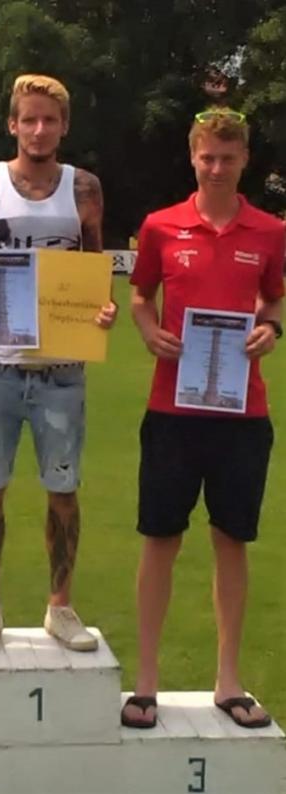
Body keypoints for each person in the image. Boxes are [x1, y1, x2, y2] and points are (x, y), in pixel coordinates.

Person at [122, 108, 284, 729]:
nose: (217, 168)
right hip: (172, 408)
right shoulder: (161, 226)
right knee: (160, 538)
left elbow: (274, 298)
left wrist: (271, 328)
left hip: (243, 410)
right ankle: (145, 683)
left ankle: (228, 681)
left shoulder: (269, 230)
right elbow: (139, 296)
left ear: (245, 161)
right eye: (207, 157)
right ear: (192, 156)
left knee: (231, 540)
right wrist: (148, 330)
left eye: (228, 158)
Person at [0, 74, 118, 653]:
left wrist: (104, 308)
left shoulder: (84, 188)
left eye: (49, 120)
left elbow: (95, 269)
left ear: (64, 126)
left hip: (62, 370)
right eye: (29, 119)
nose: (38, 129)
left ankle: (60, 607)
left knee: (63, 492)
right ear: (12, 124)